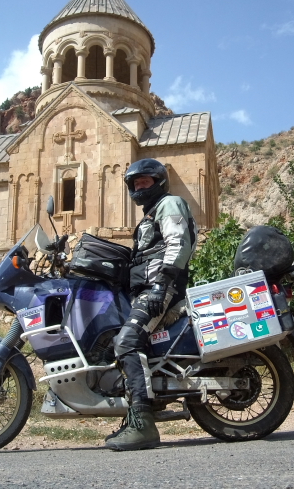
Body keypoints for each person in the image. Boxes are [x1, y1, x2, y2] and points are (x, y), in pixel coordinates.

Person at [105, 158, 198, 451]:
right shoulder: (149, 216)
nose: (139, 187)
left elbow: (178, 241)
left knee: (127, 342)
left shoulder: (169, 204)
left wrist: (161, 285)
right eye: (135, 184)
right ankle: (136, 413)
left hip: (160, 290)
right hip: (148, 290)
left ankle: (144, 425)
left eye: (144, 182)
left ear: (158, 182)